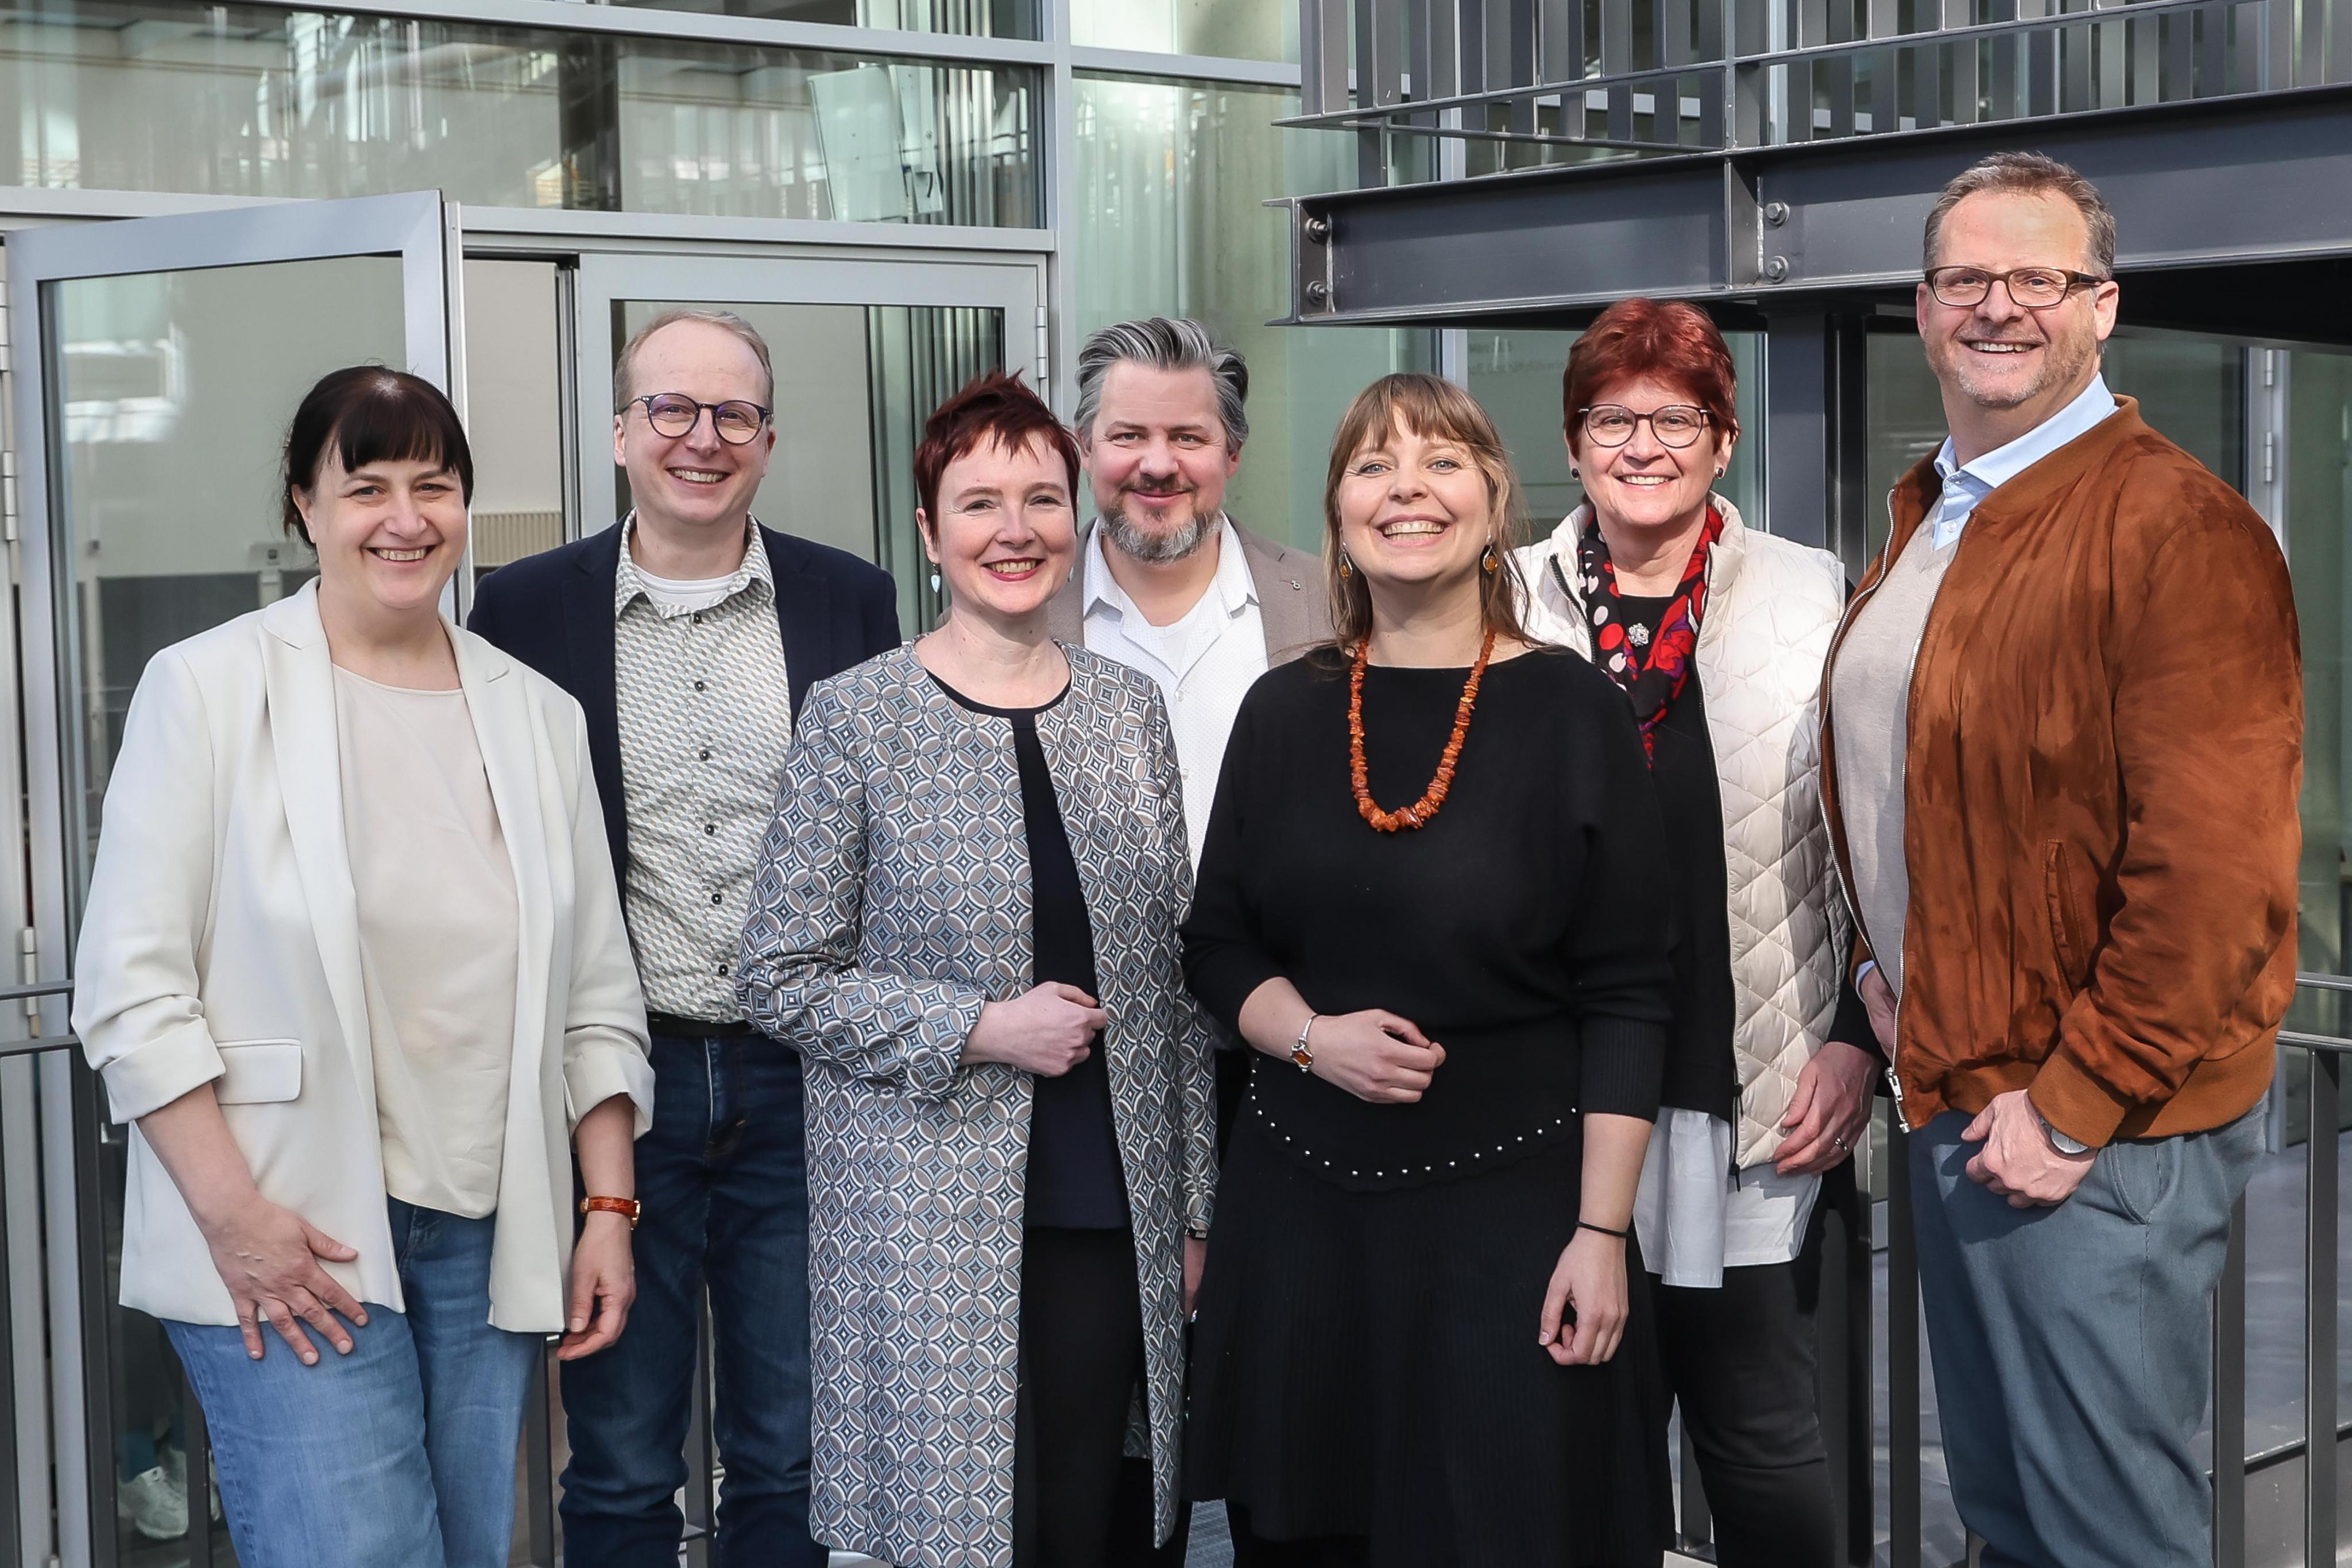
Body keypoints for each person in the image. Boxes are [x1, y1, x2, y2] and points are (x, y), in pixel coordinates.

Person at [71, 367, 653, 1568]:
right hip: (289, 1222)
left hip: (485, 1231)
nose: (404, 517)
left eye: (433, 486)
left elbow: (597, 996)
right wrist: (235, 1221)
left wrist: (606, 1211)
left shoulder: (536, 716)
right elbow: (131, 992)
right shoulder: (208, 686)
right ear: (305, 503)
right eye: (367, 486)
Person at [1821, 152, 2300, 1568]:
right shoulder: (1941, 509)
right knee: (2013, 1519)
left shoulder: (2176, 529)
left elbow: (2213, 878)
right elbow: (1922, 792)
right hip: (1963, 1089)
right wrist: (1880, 979)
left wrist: (2075, 1106)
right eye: (1965, 277)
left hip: (2091, 1128)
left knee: (2104, 1535)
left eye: (2037, 277)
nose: (1997, 306)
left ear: (2102, 305)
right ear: (1922, 308)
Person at [1181, 371, 1675, 1566]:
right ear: (1339, 513)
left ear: (1495, 499)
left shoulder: (1575, 710)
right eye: (1373, 465)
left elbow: (1628, 991)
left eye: (1441, 461)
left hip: (1513, 1222)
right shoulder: (1281, 712)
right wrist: (1313, 1038)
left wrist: (1601, 1233)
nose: (1407, 488)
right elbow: (1217, 942)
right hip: (1303, 1224)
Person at [737, 371, 1216, 1568]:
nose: (1016, 530)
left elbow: (1177, 983)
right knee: (963, 1540)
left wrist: (1196, 1209)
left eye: (1043, 500)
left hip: (1113, 1211)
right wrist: (979, 1027)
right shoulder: (855, 717)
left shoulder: (1128, 713)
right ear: (929, 533)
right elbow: (779, 974)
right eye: (980, 503)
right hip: (924, 1224)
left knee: (1098, 1526)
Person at [469, 307, 901, 1568]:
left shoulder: (851, 597)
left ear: (767, 438)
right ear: (621, 433)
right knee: (615, 1463)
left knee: (793, 1456)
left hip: (806, 1082)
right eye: (670, 408)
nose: (701, 437)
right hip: (620, 1087)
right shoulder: (523, 608)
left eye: (733, 414)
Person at [1514, 300, 1879, 1567]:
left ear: (1724, 441)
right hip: (1561, 1103)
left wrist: (1858, 1036)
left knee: (1764, 1447)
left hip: (1759, 1089)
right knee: (1584, 1448)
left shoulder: (1811, 591)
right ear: (1572, 444)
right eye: (1612, 418)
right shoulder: (1505, 600)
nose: (1643, 445)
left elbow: (1874, 833)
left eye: (1676, 419)